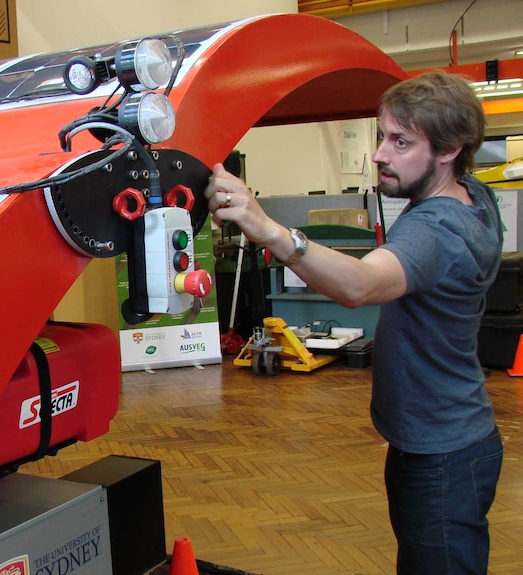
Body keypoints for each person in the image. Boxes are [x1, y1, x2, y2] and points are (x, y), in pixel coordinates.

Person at [204, 71, 504, 575]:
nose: (382, 154)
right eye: (382, 136)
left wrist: (265, 226)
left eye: (401, 142)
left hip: (441, 457)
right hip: (446, 439)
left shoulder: (438, 227)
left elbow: (360, 286)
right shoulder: (472, 196)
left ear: (450, 150)